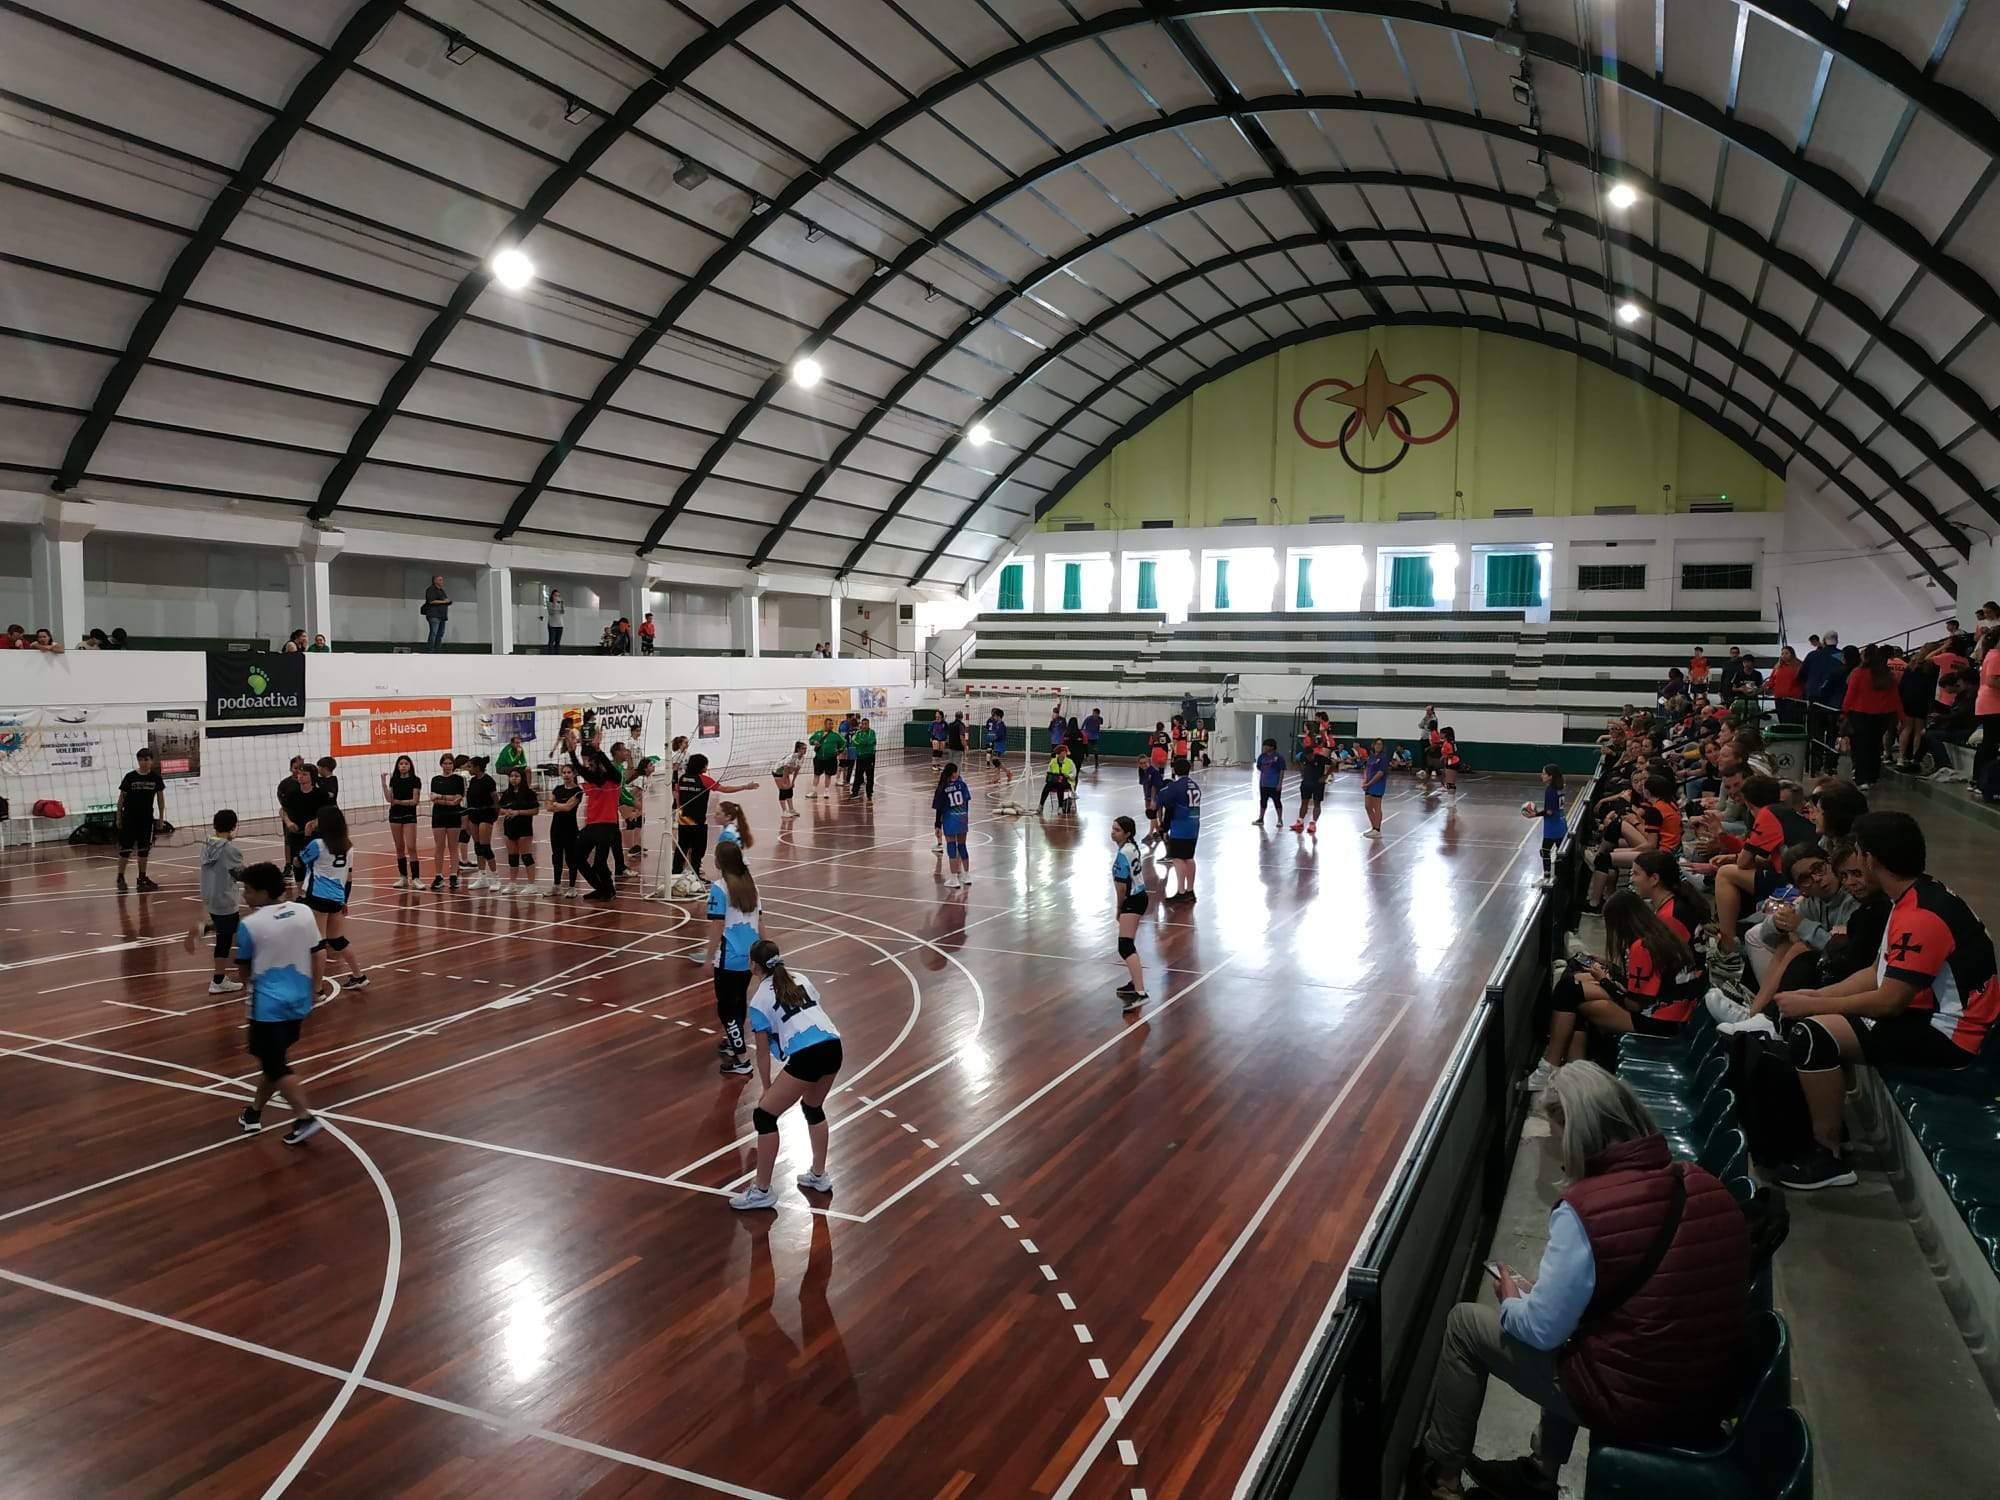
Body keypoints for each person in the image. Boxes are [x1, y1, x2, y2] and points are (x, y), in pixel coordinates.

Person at [1409, 1063, 1749, 1500]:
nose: (1559, 1153)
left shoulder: (1584, 1210)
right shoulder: (1701, 1181)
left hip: (1642, 1400)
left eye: (1558, 1139)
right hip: (1711, 1387)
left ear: (1578, 1134)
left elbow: (1541, 1332)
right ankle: (1539, 1472)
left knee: (1465, 1326)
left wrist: (1512, 1300)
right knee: (1580, 1334)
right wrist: (1552, 1296)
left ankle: (1442, 1476)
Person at [1773, 811, 2000, 1190]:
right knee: (1814, 1015)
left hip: (1957, 1039)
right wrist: (1815, 995)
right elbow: (1877, 973)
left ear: (1873, 858)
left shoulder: (1922, 915)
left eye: (1858, 853)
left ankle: (1828, 1156)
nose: (1853, 861)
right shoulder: (1913, 896)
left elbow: (1890, 1002)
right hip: (1935, 1019)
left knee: (1812, 1035)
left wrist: (1813, 1007)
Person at [730, 938, 844, 1210]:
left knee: (764, 1115)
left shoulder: (759, 999)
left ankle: (762, 1191)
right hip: (834, 1045)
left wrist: (767, 1087)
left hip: (809, 1054)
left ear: (753, 965)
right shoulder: (800, 977)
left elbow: (761, 1052)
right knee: (813, 1107)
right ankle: (818, 1175)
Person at [231, 863, 328, 1147]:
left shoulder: (250, 925)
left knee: (275, 1064)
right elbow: (318, 953)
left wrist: (250, 988)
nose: (244, 896)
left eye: (247, 891)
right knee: (273, 1061)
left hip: (267, 1008)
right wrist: (315, 989)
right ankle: (253, 1113)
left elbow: (244, 970)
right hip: (298, 1002)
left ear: (263, 892)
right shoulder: (303, 911)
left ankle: (304, 1116)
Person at [1710, 774, 1815, 953]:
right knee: (1733, 867)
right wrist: (1732, 856)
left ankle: (1727, 944)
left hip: (1795, 883)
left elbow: (1744, 862)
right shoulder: (1783, 812)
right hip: (1802, 874)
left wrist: (1731, 854)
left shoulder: (1767, 815)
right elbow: (1765, 858)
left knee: (1726, 873)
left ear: (1749, 804)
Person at [709, 841, 765, 1076]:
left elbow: (717, 925)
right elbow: (761, 923)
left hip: (728, 957)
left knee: (726, 1007)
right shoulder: (751, 887)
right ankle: (734, 1042)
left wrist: (707, 956)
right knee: (739, 1000)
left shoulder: (719, 888)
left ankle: (741, 1058)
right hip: (748, 957)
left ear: (719, 862)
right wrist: (764, 954)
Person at [298, 806, 368, 990]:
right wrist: (345, 900)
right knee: (337, 939)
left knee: (318, 942)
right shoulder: (348, 846)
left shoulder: (318, 844)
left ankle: (317, 988)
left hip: (318, 895)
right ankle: (358, 975)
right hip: (337, 896)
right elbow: (349, 876)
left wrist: (307, 835)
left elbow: (299, 860)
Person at [184, 808, 245, 994]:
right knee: (225, 939)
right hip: (226, 898)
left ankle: (204, 928)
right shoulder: (230, 850)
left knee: (231, 928)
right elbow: (239, 873)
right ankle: (218, 981)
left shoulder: (208, 845)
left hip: (210, 897)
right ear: (234, 826)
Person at [673, 753, 758, 885]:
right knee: (698, 849)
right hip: (698, 821)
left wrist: (679, 808)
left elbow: (677, 794)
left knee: (682, 847)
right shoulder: (704, 780)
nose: (707, 767)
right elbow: (724, 789)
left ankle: (675, 875)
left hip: (683, 820)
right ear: (701, 766)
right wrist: (745, 787)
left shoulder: (682, 778)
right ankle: (695, 875)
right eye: (706, 764)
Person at [565, 731, 622, 901]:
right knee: (575, 857)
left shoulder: (614, 779)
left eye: (592, 764)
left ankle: (608, 888)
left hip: (608, 826)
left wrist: (599, 750)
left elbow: (609, 768)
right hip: (592, 826)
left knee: (599, 863)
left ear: (599, 765)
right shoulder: (592, 779)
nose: (588, 767)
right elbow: (582, 770)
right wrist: (571, 752)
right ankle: (601, 888)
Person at [1839, 642, 1900, 789]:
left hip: (1859, 714)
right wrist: (1900, 717)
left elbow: (1850, 695)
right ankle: (1873, 776)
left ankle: (1862, 778)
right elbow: (1895, 697)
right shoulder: (1887, 674)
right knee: (1874, 745)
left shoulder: (1858, 673)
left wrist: (1843, 712)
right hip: (1882, 716)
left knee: (1860, 747)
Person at [113, 747, 165, 894]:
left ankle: (142, 878)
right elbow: (121, 799)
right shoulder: (130, 777)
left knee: (144, 850)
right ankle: (120, 877)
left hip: (146, 820)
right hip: (129, 819)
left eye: (146, 760)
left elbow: (160, 800)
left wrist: (161, 819)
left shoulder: (156, 778)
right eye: (141, 760)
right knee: (125, 849)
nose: (144, 762)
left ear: (152, 761)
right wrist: (118, 817)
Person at [1111, 815, 1149, 1009]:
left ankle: (1141, 993)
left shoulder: (1122, 854)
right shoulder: (1132, 847)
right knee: (1129, 943)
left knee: (1125, 946)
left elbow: (1122, 887)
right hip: (1141, 896)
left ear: (1127, 833)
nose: (1112, 832)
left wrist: (1119, 908)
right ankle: (1135, 983)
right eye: (1113, 828)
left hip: (1132, 900)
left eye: (1117, 830)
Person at [1156, 756, 1201, 902]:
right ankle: (1190, 890)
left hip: (1180, 826)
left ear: (1174, 769)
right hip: (1194, 825)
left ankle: (1181, 892)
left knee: (1177, 858)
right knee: (1189, 858)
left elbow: (1168, 807)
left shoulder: (1174, 787)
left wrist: (1164, 828)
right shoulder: (1195, 785)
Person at [277, 760, 327, 890]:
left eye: (304, 774)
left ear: (312, 777)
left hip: (314, 836)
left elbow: (326, 814)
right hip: (297, 835)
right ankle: (300, 892)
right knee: (297, 863)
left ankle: (316, 889)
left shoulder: (320, 794)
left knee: (316, 863)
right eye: (299, 774)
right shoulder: (292, 793)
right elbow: (283, 810)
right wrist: (288, 822)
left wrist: (315, 823)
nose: (300, 776)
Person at [497, 766, 540, 894]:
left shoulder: (529, 793)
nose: (513, 779)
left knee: (526, 856)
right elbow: (500, 808)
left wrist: (518, 812)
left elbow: (535, 810)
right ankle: (512, 884)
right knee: (512, 856)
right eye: (511, 776)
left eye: (516, 776)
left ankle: (532, 884)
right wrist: (507, 811)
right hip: (510, 827)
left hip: (524, 827)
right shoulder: (506, 793)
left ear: (522, 778)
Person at [382, 754, 422, 889]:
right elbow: (389, 799)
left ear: (410, 766)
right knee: (399, 847)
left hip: (409, 816)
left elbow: (414, 801)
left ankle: (416, 878)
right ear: (397, 766)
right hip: (395, 816)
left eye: (406, 763)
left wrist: (399, 802)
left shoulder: (415, 780)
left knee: (411, 847)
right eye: (401, 764)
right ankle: (403, 877)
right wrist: (383, 784)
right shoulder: (394, 780)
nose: (403, 766)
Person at [427, 752, 465, 893]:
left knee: (453, 847)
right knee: (439, 847)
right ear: (441, 764)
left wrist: (441, 797)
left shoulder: (458, 779)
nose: (447, 766)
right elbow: (433, 798)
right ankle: (438, 876)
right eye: (445, 763)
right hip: (438, 816)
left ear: (453, 765)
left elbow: (457, 800)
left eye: (450, 763)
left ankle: (454, 875)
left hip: (454, 816)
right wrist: (448, 800)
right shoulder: (435, 779)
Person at [1524, 764, 1566, 887]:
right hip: (1562, 824)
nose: (1541, 775)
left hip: (1552, 827)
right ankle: (1560, 880)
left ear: (1550, 776)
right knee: (1560, 853)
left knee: (1545, 851)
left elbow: (1549, 812)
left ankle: (1546, 879)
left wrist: (1534, 814)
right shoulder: (1561, 787)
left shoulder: (1550, 790)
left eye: (1543, 773)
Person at [545, 761, 582, 896]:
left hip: (570, 828)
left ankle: (572, 887)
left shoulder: (578, 791)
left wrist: (556, 804)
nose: (566, 775)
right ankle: (556, 885)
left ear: (574, 774)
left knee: (571, 858)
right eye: (564, 772)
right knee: (556, 857)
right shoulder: (557, 789)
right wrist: (559, 805)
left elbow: (568, 808)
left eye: (569, 772)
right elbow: (548, 807)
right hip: (556, 827)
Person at [462, 755, 499, 891]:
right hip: (474, 815)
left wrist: (496, 814)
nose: (468, 769)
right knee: (478, 847)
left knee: (485, 847)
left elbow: (495, 799)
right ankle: (482, 877)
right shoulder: (472, 781)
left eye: (470, 766)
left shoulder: (488, 780)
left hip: (486, 814)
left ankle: (496, 878)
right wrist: (466, 819)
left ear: (477, 767)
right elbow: (469, 801)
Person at [935, 760, 972, 889]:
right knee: (962, 846)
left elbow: (939, 808)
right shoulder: (962, 784)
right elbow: (967, 801)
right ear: (955, 773)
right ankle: (967, 876)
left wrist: (938, 824)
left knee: (951, 846)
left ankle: (954, 878)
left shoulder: (943, 787)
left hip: (950, 819)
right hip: (962, 817)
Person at [1292, 735, 1327, 835]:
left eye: (1310, 756)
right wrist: (1302, 773)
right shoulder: (1302, 757)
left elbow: (1333, 764)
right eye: (1307, 756)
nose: (1308, 758)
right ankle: (1300, 821)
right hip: (1306, 783)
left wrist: (1325, 776)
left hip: (1318, 784)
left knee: (1317, 803)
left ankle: (1313, 823)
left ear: (1313, 753)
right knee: (1304, 802)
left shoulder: (1320, 758)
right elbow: (1298, 762)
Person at [1767, 644, 1805, 725]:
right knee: (1782, 719)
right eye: (1782, 653)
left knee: (1792, 721)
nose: (1784, 655)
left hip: (1793, 699)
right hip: (1779, 698)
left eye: (1786, 653)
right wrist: (1767, 687)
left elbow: (1803, 680)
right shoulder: (1778, 667)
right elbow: (1772, 679)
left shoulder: (1799, 665)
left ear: (1792, 654)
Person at [1252, 738, 1286, 826]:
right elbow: (1259, 766)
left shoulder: (1278, 757)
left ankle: (1279, 819)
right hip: (1264, 783)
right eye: (1264, 746)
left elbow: (1282, 770)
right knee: (1263, 801)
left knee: (1277, 801)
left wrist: (1279, 784)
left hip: (1274, 784)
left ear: (1272, 747)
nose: (1265, 747)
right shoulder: (1262, 756)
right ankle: (1261, 818)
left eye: (1267, 746)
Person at [808, 716, 843, 798]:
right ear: (825, 725)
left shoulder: (836, 735)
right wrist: (815, 742)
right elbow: (810, 740)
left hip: (830, 758)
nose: (831, 726)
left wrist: (839, 751)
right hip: (819, 758)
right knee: (816, 775)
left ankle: (826, 792)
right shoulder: (818, 733)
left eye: (832, 724)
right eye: (829, 724)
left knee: (828, 775)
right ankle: (814, 792)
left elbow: (843, 744)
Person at [1040, 742, 1078, 815]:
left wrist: (1068, 775)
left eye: (1065, 752)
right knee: (1047, 786)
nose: (1064, 754)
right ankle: (1041, 806)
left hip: (1067, 782)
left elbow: (1074, 774)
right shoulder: (1053, 761)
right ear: (1059, 753)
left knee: (1060, 786)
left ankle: (1060, 807)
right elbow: (1049, 771)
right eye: (1063, 752)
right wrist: (1049, 776)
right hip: (1054, 780)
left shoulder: (1070, 762)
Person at [1362, 738, 1389, 837]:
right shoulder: (1371, 756)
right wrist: (1365, 781)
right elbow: (1367, 769)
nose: (1378, 746)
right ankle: (1373, 827)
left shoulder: (1383, 758)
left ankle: (1377, 830)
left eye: (1380, 744)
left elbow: (1380, 773)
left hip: (1377, 784)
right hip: (1368, 784)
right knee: (1368, 806)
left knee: (1376, 806)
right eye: (1376, 744)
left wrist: (1369, 784)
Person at [848, 716, 878, 800]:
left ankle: (869, 793)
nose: (864, 725)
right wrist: (862, 743)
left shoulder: (872, 732)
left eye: (866, 724)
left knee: (870, 775)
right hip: (860, 757)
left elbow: (871, 741)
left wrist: (861, 742)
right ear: (861, 724)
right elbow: (854, 741)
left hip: (870, 756)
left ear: (868, 724)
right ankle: (854, 793)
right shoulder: (858, 733)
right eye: (863, 724)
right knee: (858, 775)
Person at [774, 741, 804, 819]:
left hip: (785, 772)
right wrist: (783, 782)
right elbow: (786, 769)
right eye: (803, 748)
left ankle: (791, 810)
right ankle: (784, 812)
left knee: (789, 789)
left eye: (806, 748)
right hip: (777, 771)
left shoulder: (802, 758)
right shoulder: (792, 757)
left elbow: (797, 770)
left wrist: (793, 782)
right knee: (783, 790)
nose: (805, 750)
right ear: (798, 749)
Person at [421, 574, 450, 651]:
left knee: (440, 634)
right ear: (435, 581)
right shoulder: (431, 590)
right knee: (434, 633)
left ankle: (437, 650)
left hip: (442, 616)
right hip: (434, 615)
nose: (442, 581)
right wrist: (444, 601)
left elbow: (445, 599)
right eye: (440, 580)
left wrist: (447, 601)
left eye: (442, 580)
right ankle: (430, 650)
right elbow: (432, 601)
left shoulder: (442, 591)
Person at [984, 708, 1013, 784]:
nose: (993, 717)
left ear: (998, 716)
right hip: (996, 744)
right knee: (996, 762)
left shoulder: (1001, 725)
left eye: (995, 716)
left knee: (995, 760)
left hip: (1000, 745)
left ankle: (1008, 772)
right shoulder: (996, 724)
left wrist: (991, 737)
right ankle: (997, 778)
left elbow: (998, 736)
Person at [545, 587, 564, 654]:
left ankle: (557, 656)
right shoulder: (549, 603)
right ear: (552, 596)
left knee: (558, 642)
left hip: (560, 625)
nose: (557, 597)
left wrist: (561, 604)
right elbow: (551, 612)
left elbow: (562, 612)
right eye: (555, 595)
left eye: (558, 595)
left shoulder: (560, 603)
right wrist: (554, 603)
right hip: (552, 625)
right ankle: (550, 656)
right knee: (551, 641)